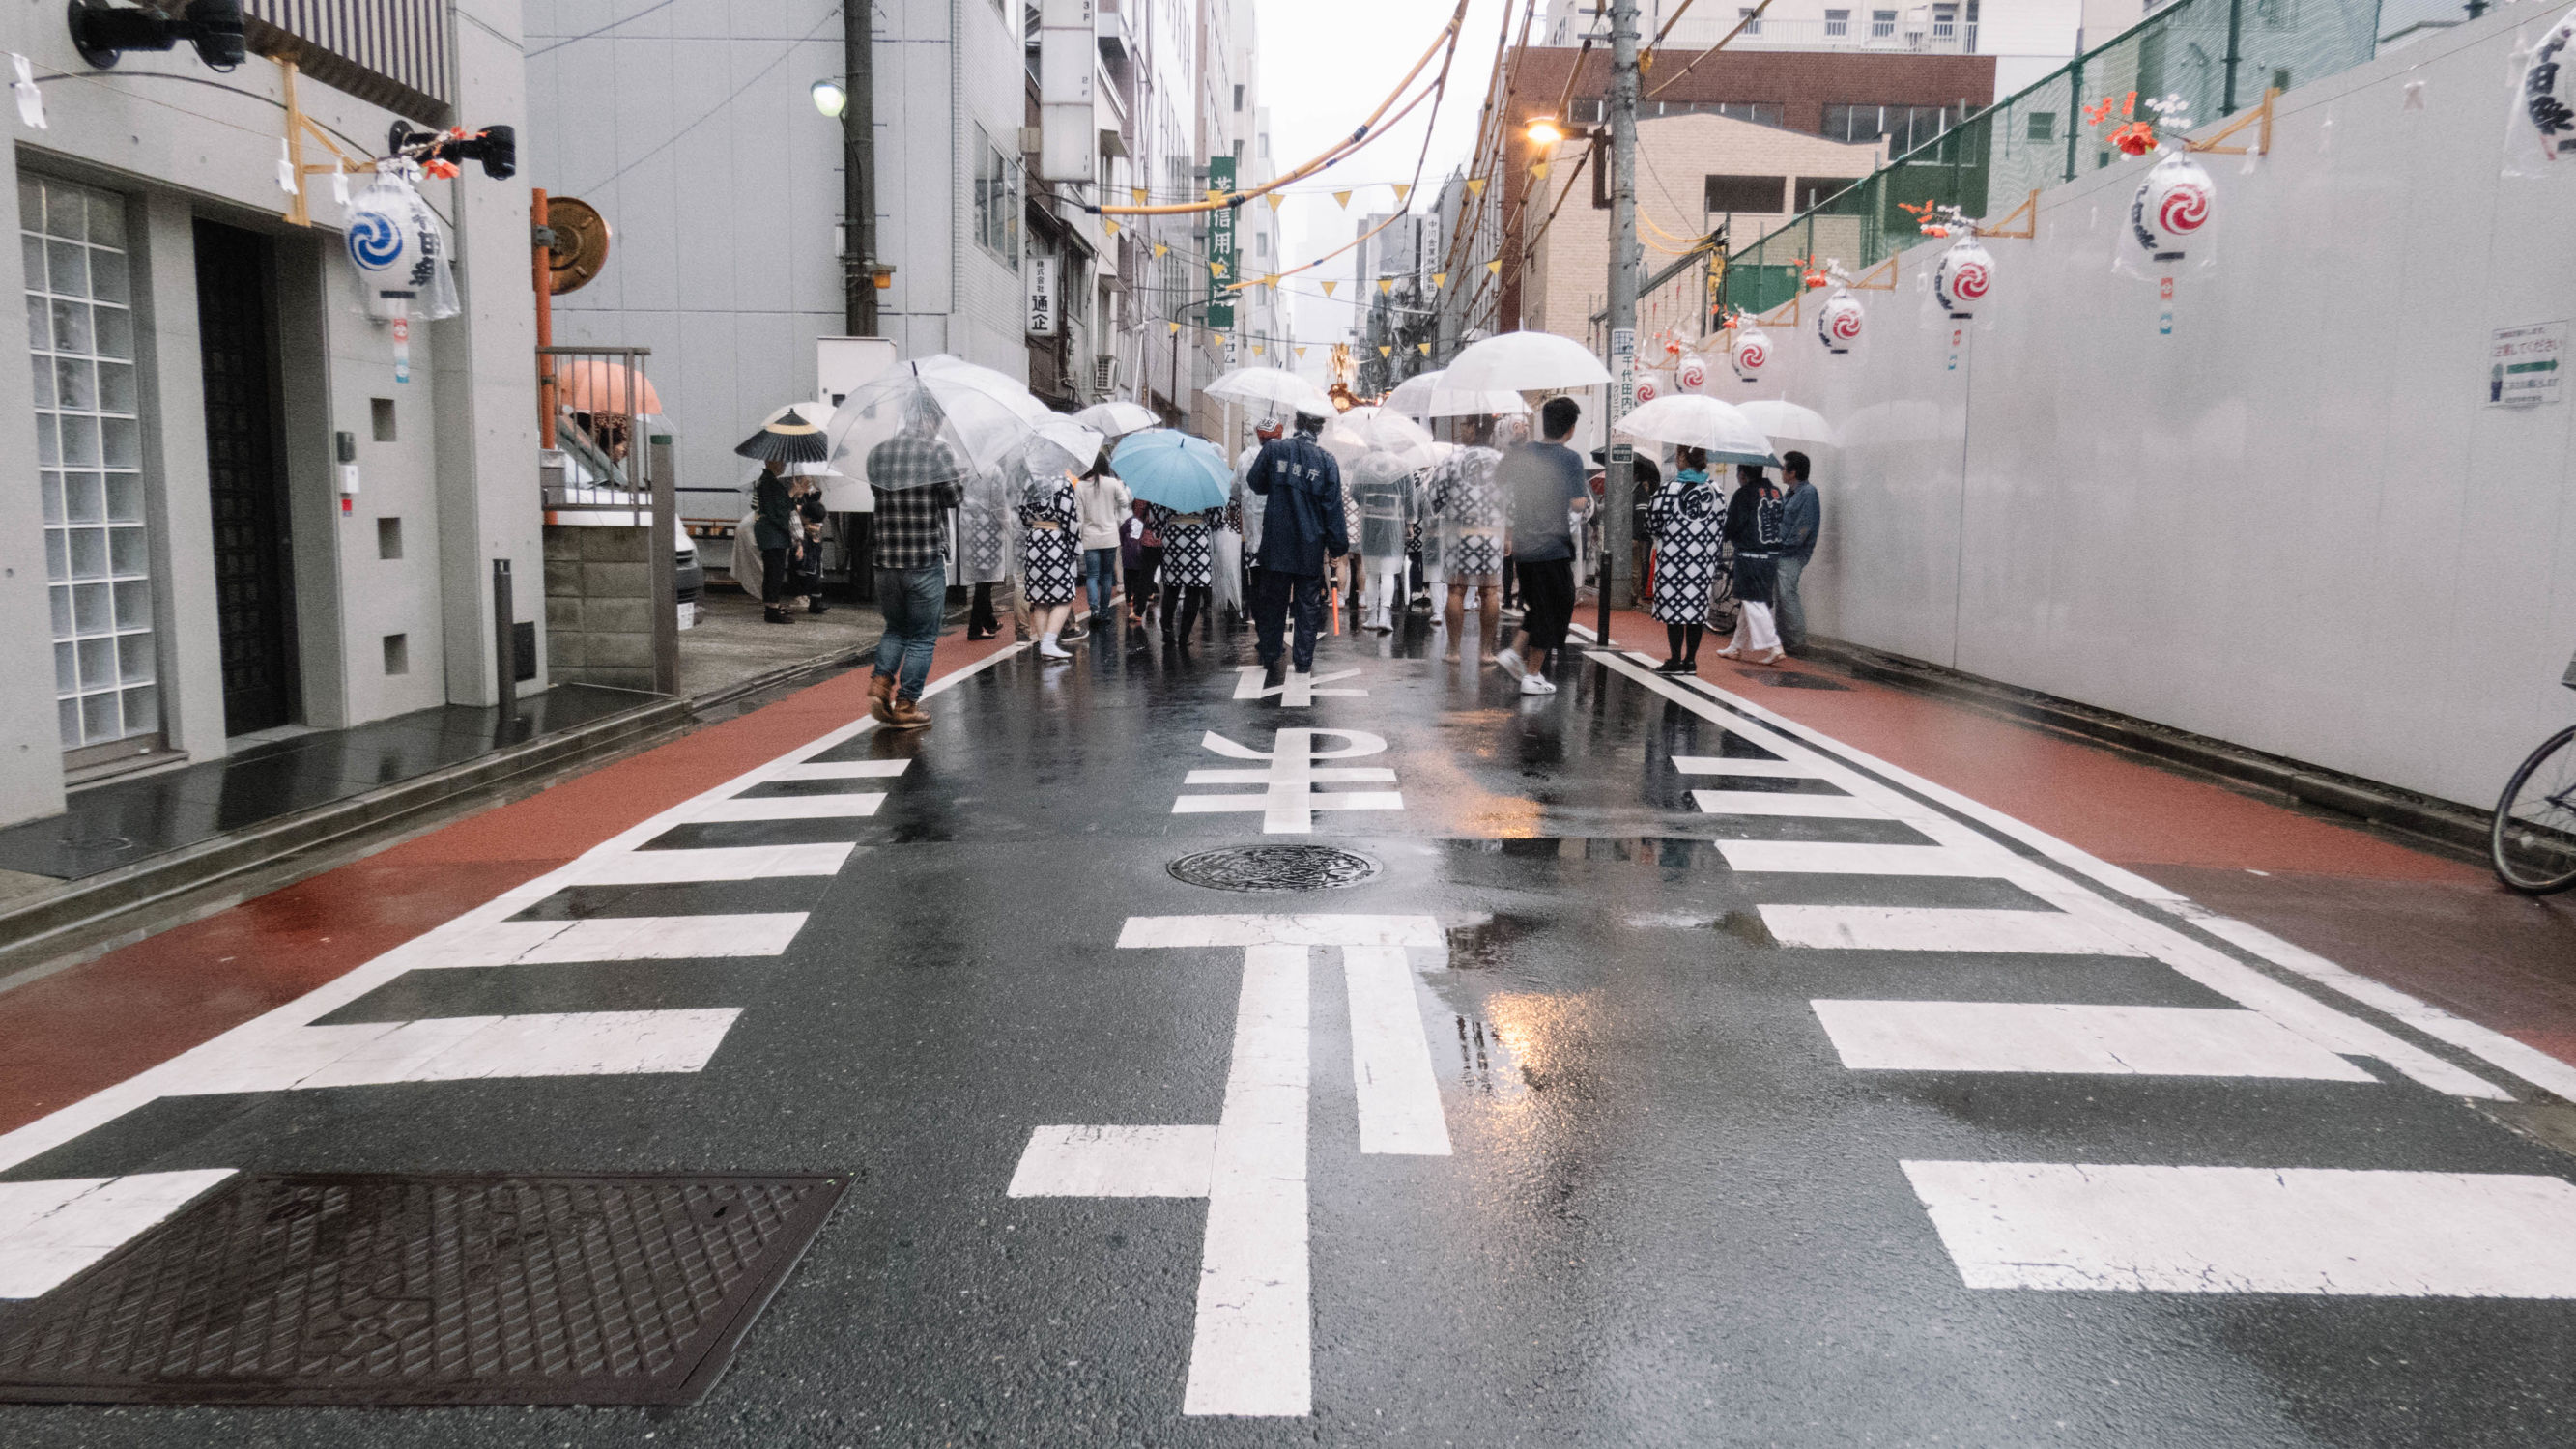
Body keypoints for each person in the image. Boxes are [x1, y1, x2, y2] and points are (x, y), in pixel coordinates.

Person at [864, 407, 966, 728]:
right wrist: (958, 477)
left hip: (886, 561)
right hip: (923, 559)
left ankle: (880, 684)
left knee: (895, 628)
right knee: (922, 636)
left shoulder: (878, 454)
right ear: (931, 419)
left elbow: (877, 493)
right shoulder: (937, 452)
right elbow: (953, 498)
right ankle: (906, 704)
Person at [1494, 395, 1591, 696]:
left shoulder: (1525, 453)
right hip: (1552, 545)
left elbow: (1500, 479)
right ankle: (1532, 674)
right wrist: (1581, 497)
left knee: (1540, 604)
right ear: (1571, 429)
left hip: (1525, 545)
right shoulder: (1570, 459)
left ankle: (1515, 652)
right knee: (1557, 606)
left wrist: (1515, 448)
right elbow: (1577, 504)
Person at [1245, 410, 1348, 685]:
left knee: (1273, 599)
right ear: (1320, 429)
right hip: (1310, 541)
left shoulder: (1274, 450)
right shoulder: (1326, 461)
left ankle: (1269, 652)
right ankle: (1303, 661)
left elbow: (1255, 483)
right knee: (1307, 602)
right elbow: (1332, 507)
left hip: (1277, 537)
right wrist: (1337, 545)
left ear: (1296, 423)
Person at [1426, 415, 1508, 662]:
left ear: (1473, 428)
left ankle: (1453, 650)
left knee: (1456, 589)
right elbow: (1513, 500)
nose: (1462, 429)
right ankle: (1486, 652)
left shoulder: (1453, 460)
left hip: (1459, 533)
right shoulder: (1502, 462)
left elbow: (1433, 497)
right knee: (1490, 590)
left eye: (1464, 425)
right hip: (1492, 533)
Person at [1643, 444, 1724, 674]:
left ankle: (1676, 658)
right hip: (1702, 561)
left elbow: (1652, 522)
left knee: (1675, 609)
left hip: (1674, 560)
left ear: (1682, 458)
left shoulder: (1669, 490)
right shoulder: (1716, 491)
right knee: (1696, 609)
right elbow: (1721, 523)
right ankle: (1691, 661)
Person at [1717, 462, 1787, 666]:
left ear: (1743, 475)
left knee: (1752, 599)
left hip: (1750, 553)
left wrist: (1721, 537)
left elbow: (1732, 525)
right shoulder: (1775, 492)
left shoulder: (1744, 494)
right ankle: (1736, 646)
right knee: (1755, 600)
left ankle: (1774, 645)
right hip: (1771, 553)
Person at [1019, 464, 1083, 659]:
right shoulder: (1061, 482)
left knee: (1040, 599)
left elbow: (1022, 515)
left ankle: (1044, 646)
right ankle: (1048, 643)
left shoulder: (1028, 481)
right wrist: (1075, 548)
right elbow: (1069, 517)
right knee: (1064, 595)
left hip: (1034, 540)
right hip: (1055, 542)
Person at [1352, 445, 1416, 633]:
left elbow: (1354, 491)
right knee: (1388, 572)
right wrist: (1409, 522)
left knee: (1372, 573)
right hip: (1393, 524)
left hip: (1370, 521)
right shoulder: (1403, 466)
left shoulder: (1364, 464)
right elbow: (1410, 496)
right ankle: (1384, 617)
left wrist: (1366, 504)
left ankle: (1371, 617)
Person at [1146, 497, 1216, 646]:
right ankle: (1184, 634)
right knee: (1194, 587)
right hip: (1197, 538)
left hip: (1173, 537)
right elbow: (1216, 517)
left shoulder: (1167, 484)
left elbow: (1156, 515)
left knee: (1172, 585)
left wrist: (1158, 529)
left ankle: (1167, 629)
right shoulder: (1202, 485)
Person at [1232, 420, 1281, 627]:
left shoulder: (1244, 458)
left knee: (1257, 582)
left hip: (1253, 536)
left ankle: (1262, 628)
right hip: (1278, 536)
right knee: (1277, 585)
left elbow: (1233, 491)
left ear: (1258, 435)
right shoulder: (1283, 457)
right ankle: (1274, 627)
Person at [961, 461, 1016, 640]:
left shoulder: (969, 469)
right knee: (985, 582)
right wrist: (1011, 530)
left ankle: (989, 621)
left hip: (970, 527)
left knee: (982, 579)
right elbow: (1000, 505)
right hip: (989, 531)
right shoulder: (994, 471)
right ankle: (975, 628)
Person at [1075, 456, 1130, 633]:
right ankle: (1104, 613)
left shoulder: (1080, 486)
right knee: (1107, 577)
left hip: (1090, 538)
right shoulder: (1112, 483)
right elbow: (1125, 502)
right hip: (1109, 537)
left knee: (1092, 576)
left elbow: (1079, 517)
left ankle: (1094, 611)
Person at [1777, 449, 1818, 657]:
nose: (1781, 472)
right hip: (1783, 551)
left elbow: (1804, 526)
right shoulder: (1791, 493)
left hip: (1792, 553)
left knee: (1787, 594)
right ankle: (1784, 640)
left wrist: (1787, 545)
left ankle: (1796, 642)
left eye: (1784, 468)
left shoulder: (1807, 493)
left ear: (1793, 472)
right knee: (1781, 595)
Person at [752, 458, 798, 625]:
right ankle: (772, 609)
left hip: (771, 532)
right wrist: (791, 493)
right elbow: (778, 510)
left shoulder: (767, 481)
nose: (785, 465)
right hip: (773, 533)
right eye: (782, 462)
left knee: (774, 571)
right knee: (775, 571)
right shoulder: (768, 483)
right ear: (771, 462)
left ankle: (772, 606)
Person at [1124, 499, 1162, 625]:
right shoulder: (1175, 490)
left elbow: (1138, 512)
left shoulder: (1148, 492)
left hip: (1149, 538)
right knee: (1170, 581)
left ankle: (1138, 611)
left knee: (1145, 576)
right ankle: (1168, 616)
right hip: (1169, 538)